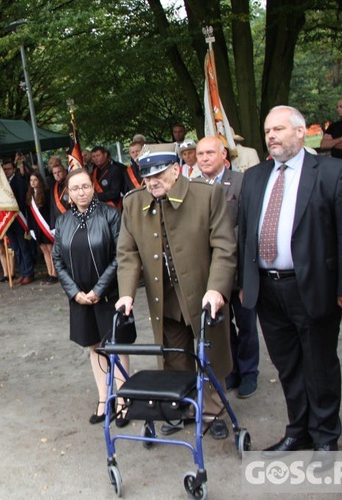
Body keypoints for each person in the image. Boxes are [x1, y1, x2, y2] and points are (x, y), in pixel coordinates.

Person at [237, 105, 342, 453]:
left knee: (320, 364)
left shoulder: (331, 172)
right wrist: (243, 281)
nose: (271, 136)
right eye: (267, 131)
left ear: (300, 132)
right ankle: (299, 431)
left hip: (313, 286)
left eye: (279, 129)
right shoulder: (254, 177)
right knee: (288, 366)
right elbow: (245, 235)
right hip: (267, 288)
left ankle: (326, 437)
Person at [115, 151, 237, 440]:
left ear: (175, 170)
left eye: (158, 175)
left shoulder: (207, 195)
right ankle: (179, 406)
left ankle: (212, 411)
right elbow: (127, 253)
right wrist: (126, 294)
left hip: (203, 292)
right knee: (173, 354)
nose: (151, 182)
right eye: (146, 177)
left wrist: (217, 288)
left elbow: (224, 246)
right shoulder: (133, 203)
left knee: (210, 352)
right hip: (164, 294)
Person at [52, 168, 133, 427]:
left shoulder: (110, 214)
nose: (81, 192)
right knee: (94, 347)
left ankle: (123, 400)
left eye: (85, 186)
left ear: (93, 186)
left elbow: (120, 255)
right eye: (75, 188)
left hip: (107, 295)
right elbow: (57, 259)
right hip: (80, 298)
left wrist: (99, 290)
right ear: (68, 193)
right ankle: (104, 399)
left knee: (117, 346)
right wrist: (75, 292)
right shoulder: (63, 221)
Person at [196, 136, 259, 398]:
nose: (204, 158)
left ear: (224, 155)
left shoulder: (242, 182)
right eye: (200, 154)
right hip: (211, 273)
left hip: (240, 268)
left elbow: (247, 227)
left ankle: (249, 373)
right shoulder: (192, 187)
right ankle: (230, 370)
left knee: (246, 324)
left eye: (210, 152)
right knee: (221, 325)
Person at [2, 159, 36, 285]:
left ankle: (29, 273)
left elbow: (22, 201)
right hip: (9, 221)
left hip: (19, 218)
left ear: (14, 169)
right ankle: (22, 272)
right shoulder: (2, 184)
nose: (6, 171)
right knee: (16, 249)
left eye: (9, 169)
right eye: (4, 169)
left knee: (24, 247)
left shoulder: (19, 182)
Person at [27, 172, 56, 283]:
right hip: (37, 227)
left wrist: (51, 226)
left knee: (50, 249)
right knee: (44, 250)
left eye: (35, 180)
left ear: (40, 181)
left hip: (46, 226)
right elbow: (29, 214)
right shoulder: (30, 195)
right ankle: (49, 272)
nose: (33, 182)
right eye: (31, 180)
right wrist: (31, 228)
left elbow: (50, 211)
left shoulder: (46, 193)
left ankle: (54, 273)